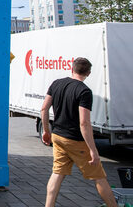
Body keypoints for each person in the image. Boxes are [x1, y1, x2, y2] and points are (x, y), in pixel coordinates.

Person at [41, 57, 117, 207]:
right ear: (88, 73)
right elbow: (84, 123)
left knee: (57, 174)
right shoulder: (84, 91)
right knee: (99, 177)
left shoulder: (56, 83)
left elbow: (44, 108)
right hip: (75, 140)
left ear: (72, 68)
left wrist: (46, 131)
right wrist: (93, 150)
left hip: (57, 136)